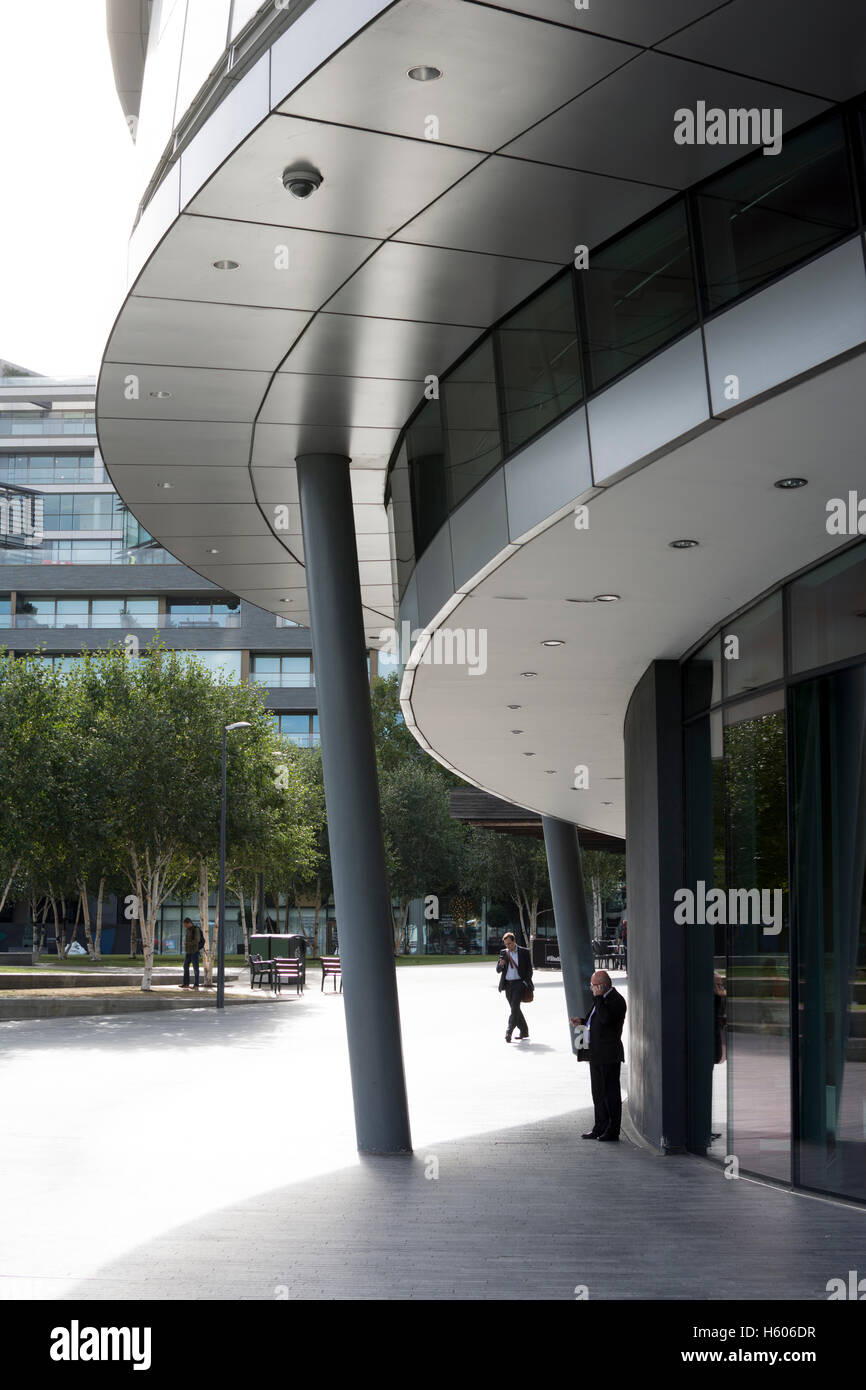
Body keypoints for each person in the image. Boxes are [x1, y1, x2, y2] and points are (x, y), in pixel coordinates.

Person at [571, 969, 626, 1141]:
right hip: (595, 1053)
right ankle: (599, 1126)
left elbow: (606, 1020)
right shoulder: (600, 1000)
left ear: (602, 986)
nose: (591, 989)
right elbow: (594, 1019)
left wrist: (598, 997)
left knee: (610, 1093)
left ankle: (612, 1129)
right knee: (598, 1092)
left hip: (608, 1054)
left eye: (593, 986)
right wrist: (581, 1021)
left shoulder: (615, 1000)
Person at [497, 931, 533, 1042]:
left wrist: (525, 983)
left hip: (519, 984)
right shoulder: (503, 953)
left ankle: (509, 1032)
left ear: (514, 941)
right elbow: (498, 970)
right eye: (506, 944)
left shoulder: (524, 952)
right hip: (508, 985)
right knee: (515, 1009)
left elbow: (529, 970)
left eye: (509, 944)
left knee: (514, 1008)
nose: (508, 946)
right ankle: (524, 1031)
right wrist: (501, 964)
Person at [180, 917, 202, 989]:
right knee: (185, 966)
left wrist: (187, 943)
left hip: (194, 951)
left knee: (196, 968)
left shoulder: (196, 929)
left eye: (186, 925)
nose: (185, 926)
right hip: (188, 951)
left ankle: (196, 984)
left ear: (189, 923)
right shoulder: (187, 930)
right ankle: (186, 983)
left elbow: (197, 940)